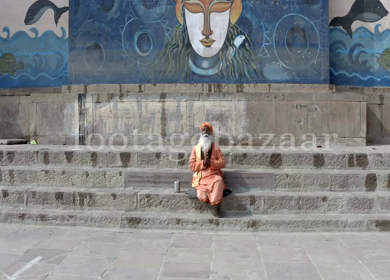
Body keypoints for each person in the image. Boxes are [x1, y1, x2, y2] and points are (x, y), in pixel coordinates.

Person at [189, 122, 226, 218]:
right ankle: (210, 200)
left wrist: (211, 162)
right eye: (203, 130)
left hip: (214, 175)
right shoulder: (195, 149)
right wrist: (203, 163)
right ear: (201, 132)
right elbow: (192, 166)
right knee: (202, 195)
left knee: (219, 182)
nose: (205, 131)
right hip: (201, 177)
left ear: (210, 133)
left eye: (207, 130)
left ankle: (216, 207)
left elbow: (223, 163)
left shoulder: (215, 147)